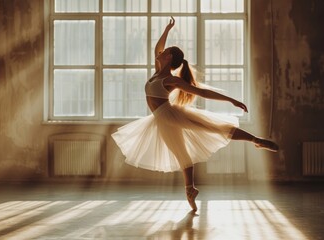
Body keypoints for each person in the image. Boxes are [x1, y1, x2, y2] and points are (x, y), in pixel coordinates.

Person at [112, 17, 278, 211]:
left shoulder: (170, 79)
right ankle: (190, 190)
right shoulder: (158, 71)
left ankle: (255, 140)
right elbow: (157, 47)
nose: (160, 52)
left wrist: (231, 100)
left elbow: (202, 93)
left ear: (169, 58)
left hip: (168, 115)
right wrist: (167, 29)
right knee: (183, 154)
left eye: (164, 52)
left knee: (214, 128)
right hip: (161, 119)